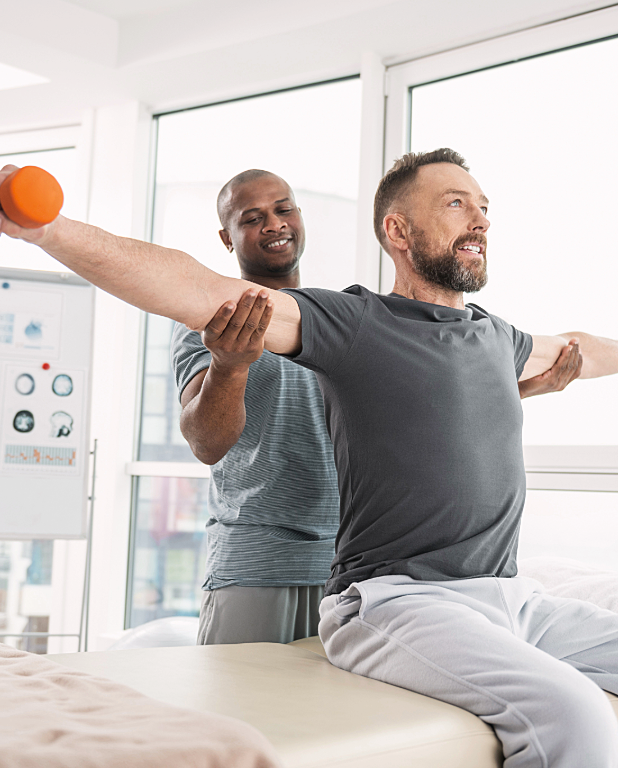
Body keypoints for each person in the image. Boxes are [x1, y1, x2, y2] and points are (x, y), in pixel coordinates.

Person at [0, 149, 618, 767]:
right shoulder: (353, 324)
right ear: (398, 230)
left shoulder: (497, 340)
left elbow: (584, 347)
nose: (480, 218)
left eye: (484, 205)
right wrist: (42, 224)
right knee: (574, 716)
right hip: (392, 600)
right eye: (456, 203)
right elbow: (190, 289)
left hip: (509, 597)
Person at [172, 169, 582, 645]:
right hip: (260, 562)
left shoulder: (341, 319)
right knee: (244, 714)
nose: (274, 224)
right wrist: (229, 365)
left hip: (359, 573)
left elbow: (407, 416)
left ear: (300, 217)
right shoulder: (209, 322)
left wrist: (519, 391)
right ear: (227, 237)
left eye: (283, 209)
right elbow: (206, 442)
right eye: (252, 217)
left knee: (347, 719)